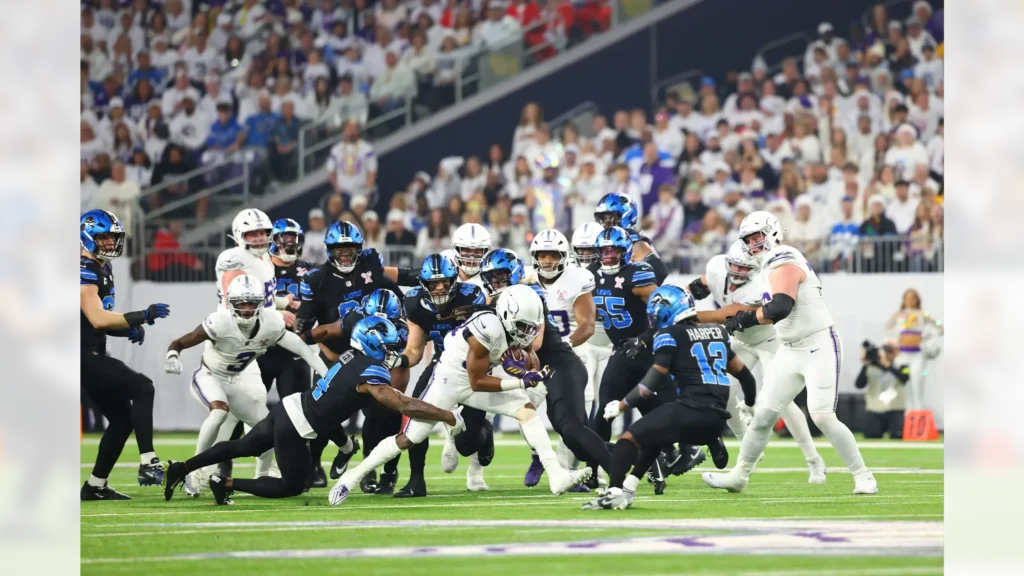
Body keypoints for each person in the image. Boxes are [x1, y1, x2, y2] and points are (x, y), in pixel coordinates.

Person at [328, 285, 591, 505]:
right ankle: (350, 478)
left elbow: (529, 358)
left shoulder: (512, 325)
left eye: (531, 327)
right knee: (410, 437)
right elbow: (477, 382)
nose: (527, 333)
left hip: (476, 378)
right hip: (449, 380)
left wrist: (526, 365)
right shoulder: (486, 328)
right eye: (523, 326)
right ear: (507, 315)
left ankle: (556, 475)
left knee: (527, 411)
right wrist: (520, 382)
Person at [165, 317, 463, 505]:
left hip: (290, 406)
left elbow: (378, 394)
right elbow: (402, 404)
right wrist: (446, 414)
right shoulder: (369, 371)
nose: (391, 352)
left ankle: (183, 467)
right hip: (297, 424)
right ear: (373, 343)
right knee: (293, 485)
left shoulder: (352, 356)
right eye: (387, 346)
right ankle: (226, 483)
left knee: (244, 446)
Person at [704, 211, 877, 495]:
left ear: (772, 232)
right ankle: (739, 475)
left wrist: (746, 319)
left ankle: (863, 475)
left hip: (818, 344)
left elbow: (780, 306)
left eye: (757, 236)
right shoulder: (762, 267)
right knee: (763, 416)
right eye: (748, 239)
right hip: (789, 348)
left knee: (822, 416)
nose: (753, 243)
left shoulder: (783, 256)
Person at [584, 285, 755, 510]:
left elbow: (649, 385)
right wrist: (749, 406)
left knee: (628, 439)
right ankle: (630, 488)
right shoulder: (718, 332)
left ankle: (614, 491)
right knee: (653, 437)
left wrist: (621, 406)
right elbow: (746, 377)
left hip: (689, 411)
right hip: (716, 420)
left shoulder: (669, 335)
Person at [162, 275, 330, 497]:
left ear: (261, 303)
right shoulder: (220, 322)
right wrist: (172, 355)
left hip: (239, 379)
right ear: (231, 303)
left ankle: (262, 476)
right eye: (241, 303)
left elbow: (302, 349)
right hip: (209, 375)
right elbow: (182, 341)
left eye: (252, 303)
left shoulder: (271, 322)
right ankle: (194, 472)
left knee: (268, 430)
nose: (247, 309)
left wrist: (327, 375)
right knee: (219, 413)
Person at [685, 240, 825, 482]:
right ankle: (747, 445)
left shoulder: (760, 282)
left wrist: (682, 316)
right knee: (723, 392)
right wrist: (679, 297)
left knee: (783, 402)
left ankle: (813, 459)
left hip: (770, 341)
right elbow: (698, 286)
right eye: (735, 266)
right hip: (741, 340)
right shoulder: (717, 266)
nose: (739, 272)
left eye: (745, 268)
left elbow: (724, 314)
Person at [295, 221, 420, 492]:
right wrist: (325, 353)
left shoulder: (371, 264)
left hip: (372, 356)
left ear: (359, 249)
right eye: (339, 249)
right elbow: (308, 325)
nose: (345, 254)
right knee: (319, 414)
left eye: (350, 249)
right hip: (335, 353)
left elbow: (395, 284)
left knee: (381, 413)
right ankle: (314, 465)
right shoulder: (316, 279)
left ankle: (372, 468)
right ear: (329, 250)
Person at [80, 210, 171, 500]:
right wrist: (141, 315)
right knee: (143, 387)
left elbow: (97, 320)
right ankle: (149, 462)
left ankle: (95, 486)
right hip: (83, 357)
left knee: (121, 420)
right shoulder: (84, 268)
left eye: (113, 237)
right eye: (104, 237)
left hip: (90, 352)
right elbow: (98, 319)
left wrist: (127, 328)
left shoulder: (102, 266)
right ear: (87, 236)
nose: (110, 242)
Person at [517, 233, 610, 491]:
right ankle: (538, 456)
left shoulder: (577, 278)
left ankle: (572, 471)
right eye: (542, 255)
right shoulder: (524, 280)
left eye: (553, 255)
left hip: (570, 353)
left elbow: (587, 326)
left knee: (574, 422)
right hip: (534, 358)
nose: (547, 260)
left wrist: (563, 344)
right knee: (522, 408)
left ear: (564, 257)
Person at [392, 254, 488, 498]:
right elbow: (414, 349)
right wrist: (398, 361)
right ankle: (416, 481)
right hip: (441, 363)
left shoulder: (471, 296)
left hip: (472, 366)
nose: (440, 288)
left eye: (445, 282)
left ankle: (484, 434)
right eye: (434, 283)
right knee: (416, 411)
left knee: (466, 445)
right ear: (423, 284)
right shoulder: (414, 302)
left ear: (454, 280)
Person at [886, 289, 944, 412]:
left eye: (913, 297)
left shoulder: (922, 314)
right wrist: (894, 340)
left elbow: (939, 325)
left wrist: (930, 334)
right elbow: (887, 328)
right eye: (908, 297)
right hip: (902, 356)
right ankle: (908, 414)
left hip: (918, 356)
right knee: (905, 385)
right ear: (904, 299)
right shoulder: (898, 315)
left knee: (917, 383)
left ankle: (919, 412)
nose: (910, 300)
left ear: (917, 299)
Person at [594, 192, 668, 284]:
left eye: (610, 218)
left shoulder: (632, 239)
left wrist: (630, 286)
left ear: (627, 215)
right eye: (603, 218)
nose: (605, 223)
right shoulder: (602, 239)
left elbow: (660, 271)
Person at [855, 341, 910, 439]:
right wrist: (865, 364)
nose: (889, 353)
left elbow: (905, 378)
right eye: (886, 350)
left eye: (891, 350)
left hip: (895, 408)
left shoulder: (902, 365)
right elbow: (859, 385)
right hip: (875, 408)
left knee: (897, 435)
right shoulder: (871, 366)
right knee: (871, 435)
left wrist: (888, 366)